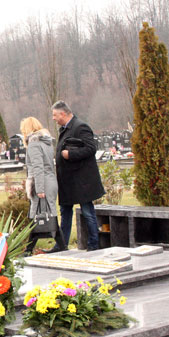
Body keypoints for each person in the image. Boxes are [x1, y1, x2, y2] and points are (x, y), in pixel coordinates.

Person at [52, 100, 105, 251]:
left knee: (88, 212)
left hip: (82, 181)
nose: (53, 118)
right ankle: (62, 245)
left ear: (63, 113)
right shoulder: (64, 129)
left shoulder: (80, 127)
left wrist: (70, 154)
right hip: (68, 182)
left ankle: (93, 245)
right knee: (65, 214)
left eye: (55, 115)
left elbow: (91, 149)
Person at [20, 118, 67, 254]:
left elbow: (38, 167)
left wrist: (39, 189)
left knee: (36, 215)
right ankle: (61, 246)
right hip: (50, 181)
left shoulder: (34, 144)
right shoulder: (46, 142)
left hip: (41, 182)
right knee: (49, 214)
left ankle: (29, 249)